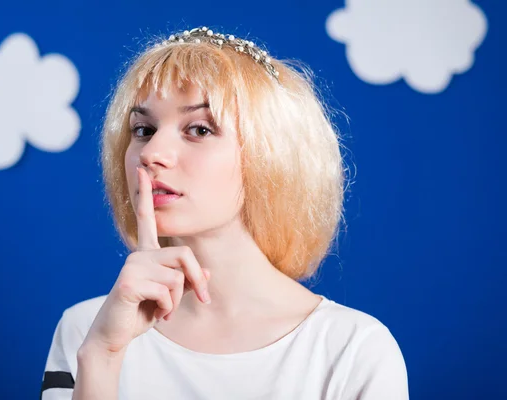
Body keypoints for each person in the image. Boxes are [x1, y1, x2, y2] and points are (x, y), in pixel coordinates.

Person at [39, 26, 409, 400]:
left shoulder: (353, 350)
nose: (152, 153)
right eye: (143, 129)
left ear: (269, 156)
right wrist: (103, 356)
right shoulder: (87, 331)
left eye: (199, 129)